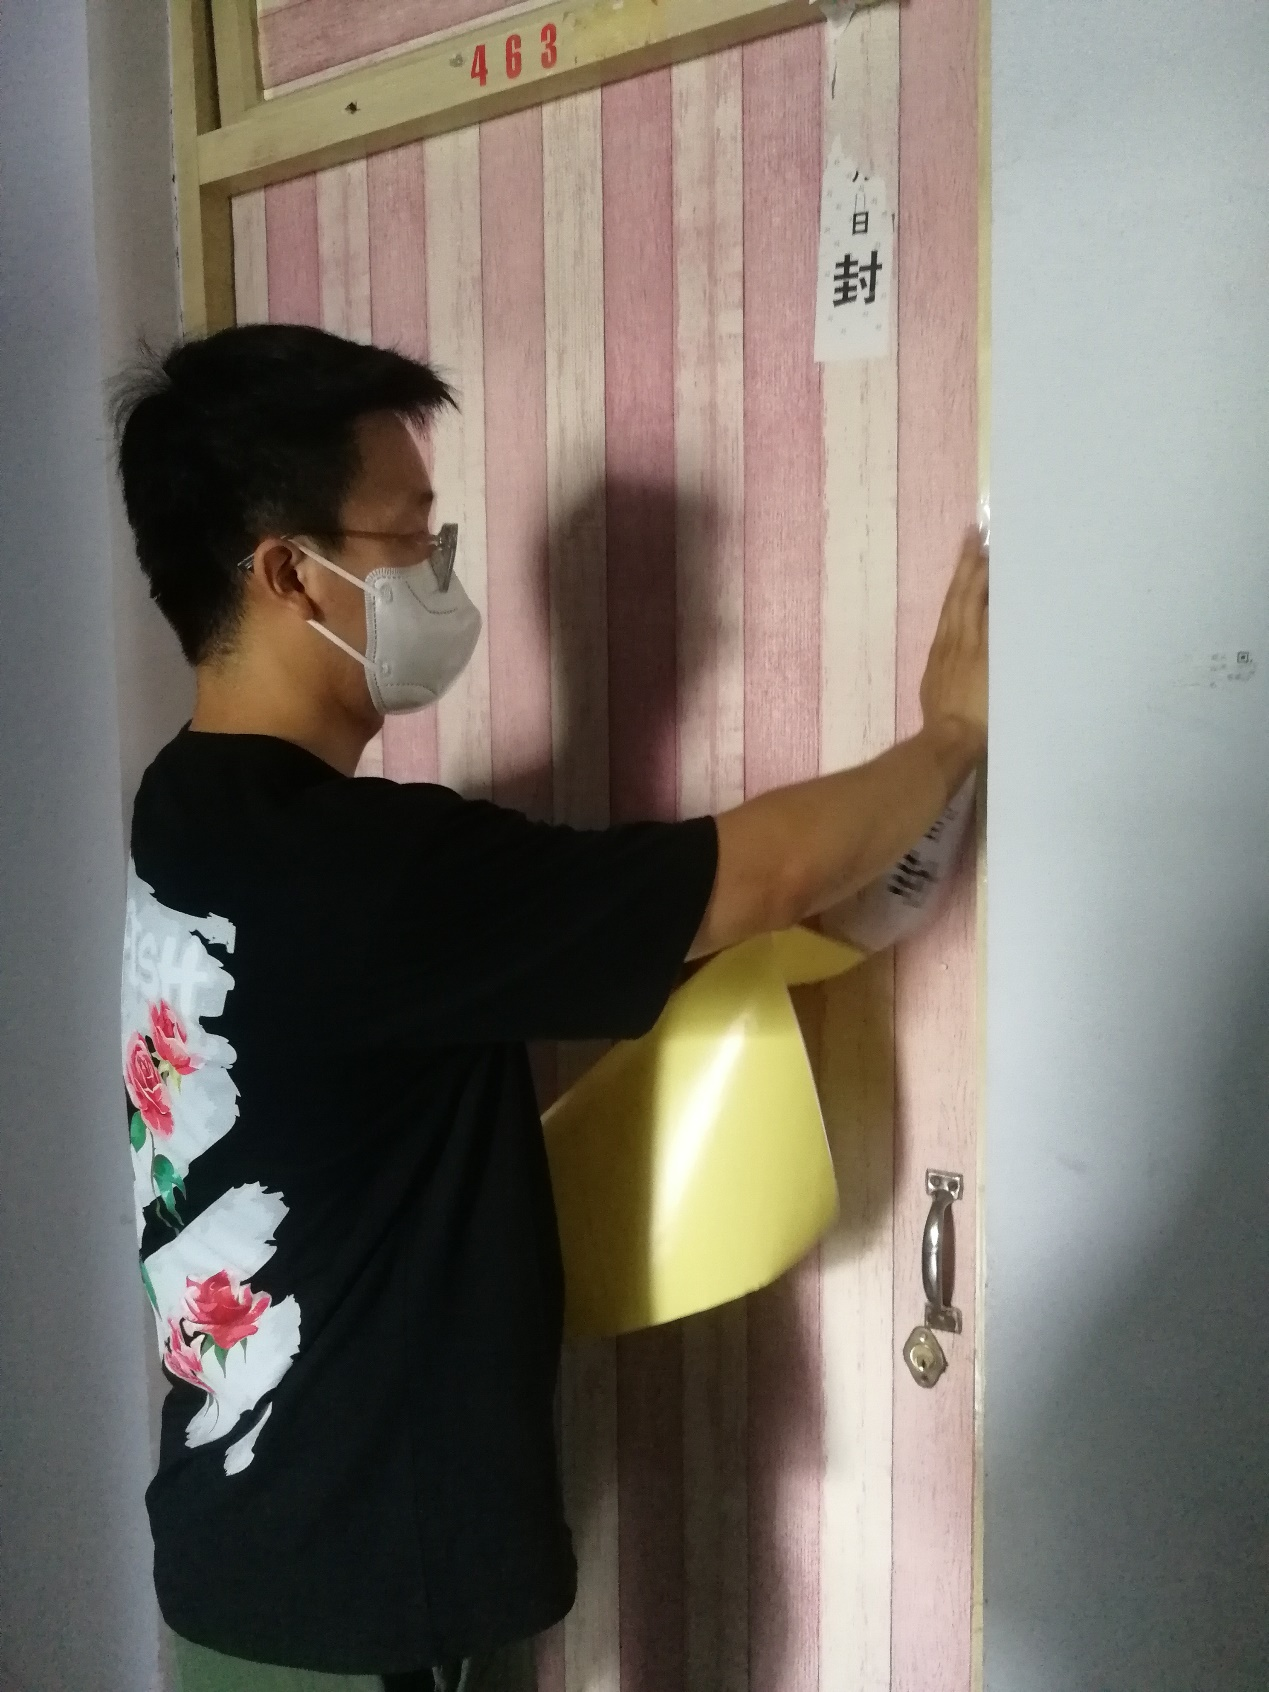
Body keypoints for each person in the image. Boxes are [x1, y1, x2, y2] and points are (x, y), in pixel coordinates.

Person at [113, 324, 987, 1692]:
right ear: (289, 573)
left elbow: (515, 955)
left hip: (243, 1562)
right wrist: (951, 736)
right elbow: (756, 875)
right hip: (354, 1606)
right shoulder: (366, 871)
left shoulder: (188, 809)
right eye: (411, 538)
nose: (436, 571)